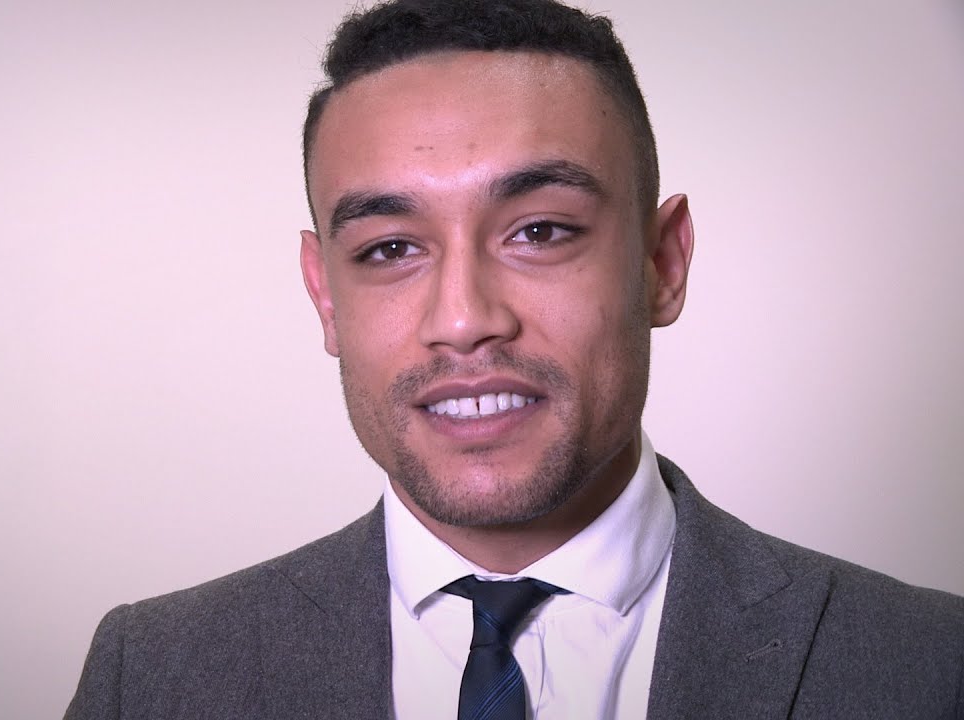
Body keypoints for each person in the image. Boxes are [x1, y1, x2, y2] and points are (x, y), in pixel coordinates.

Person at [64, 0, 964, 717]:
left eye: (540, 231)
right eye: (389, 248)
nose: (463, 320)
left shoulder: (932, 668)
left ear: (662, 264)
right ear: (324, 294)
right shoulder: (151, 677)